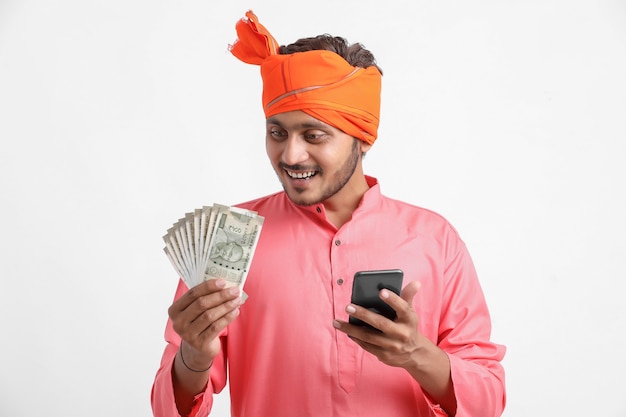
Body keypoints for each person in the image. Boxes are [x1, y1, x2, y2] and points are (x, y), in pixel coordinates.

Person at [152, 10, 506, 417]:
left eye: (313, 135)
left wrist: (417, 354)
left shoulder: (434, 239)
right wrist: (194, 357)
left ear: (363, 139)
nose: (290, 155)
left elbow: (488, 401)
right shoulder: (228, 237)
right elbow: (169, 410)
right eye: (277, 132)